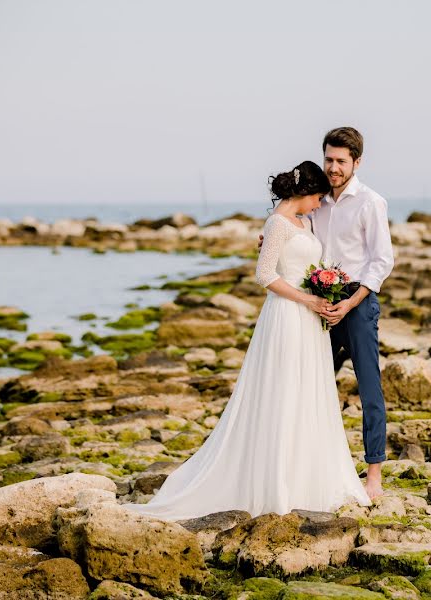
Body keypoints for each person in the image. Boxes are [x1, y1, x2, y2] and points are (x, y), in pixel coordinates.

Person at [120, 160, 372, 521]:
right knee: (283, 392)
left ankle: (308, 475)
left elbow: (304, 263)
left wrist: (323, 288)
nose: (319, 204)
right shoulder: (277, 223)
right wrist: (309, 299)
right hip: (286, 316)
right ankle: (277, 482)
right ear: (303, 193)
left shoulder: (304, 222)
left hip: (309, 320)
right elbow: (264, 275)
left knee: (307, 391)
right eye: (317, 197)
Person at [259, 127, 394, 500]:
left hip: (355, 302)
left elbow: (382, 261)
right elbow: (292, 228)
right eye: (329, 159)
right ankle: (301, 468)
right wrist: (269, 237)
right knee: (309, 386)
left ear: (357, 162)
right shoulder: (317, 201)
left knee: (369, 388)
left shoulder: (371, 202)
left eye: (341, 161)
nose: (333, 168)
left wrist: (350, 303)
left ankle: (374, 476)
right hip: (316, 304)